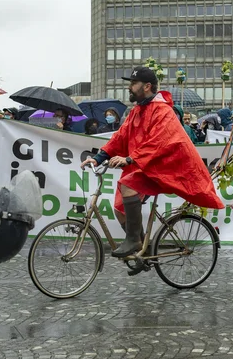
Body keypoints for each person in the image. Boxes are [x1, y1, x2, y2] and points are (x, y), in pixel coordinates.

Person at [80, 66, 223, 257]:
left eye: (133, 83)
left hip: (166, 167)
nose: (129, 87)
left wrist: (130, 158)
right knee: (120, 209)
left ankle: (133, 241)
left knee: (127, 185)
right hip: (147, 166)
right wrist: (98, 158)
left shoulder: (163, 111)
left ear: (147, 86)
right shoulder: (137, 110)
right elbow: (120, 137)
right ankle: (143, 251)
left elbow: (159, 141)